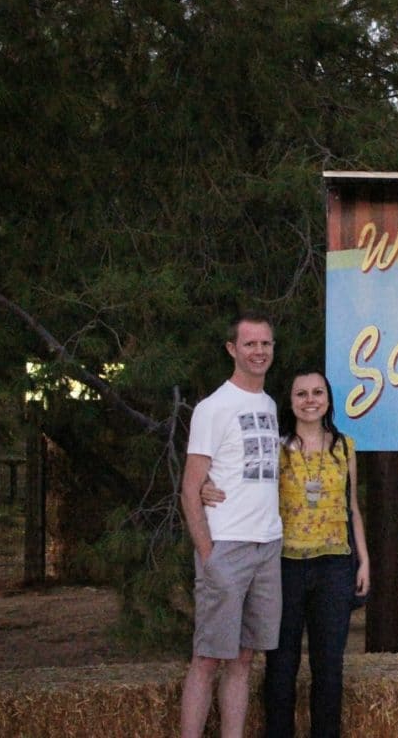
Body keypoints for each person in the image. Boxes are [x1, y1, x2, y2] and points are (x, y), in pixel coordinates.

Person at [203, 368, 370, 738]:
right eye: (301, 394)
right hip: (284, 566)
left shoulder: (345, 447)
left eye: (317, 393)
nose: (310, 400)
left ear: (328, 399)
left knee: (329, 667)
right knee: (282, 666)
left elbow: (352, 506)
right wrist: (205, 486)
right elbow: (239, 483)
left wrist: (364, 560)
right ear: (290, 401)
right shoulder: (276, 449)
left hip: (334, 566)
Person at [180, 312, 284, 738]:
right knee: (207, 659)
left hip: (267, 547)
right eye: (250, 344)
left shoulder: (270, 404)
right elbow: (190, 490)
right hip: (226, 547)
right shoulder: (212, 408)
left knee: (243, 660)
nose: (259, 352)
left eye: (266, 344)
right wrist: (209, 555)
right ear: (232, 349)